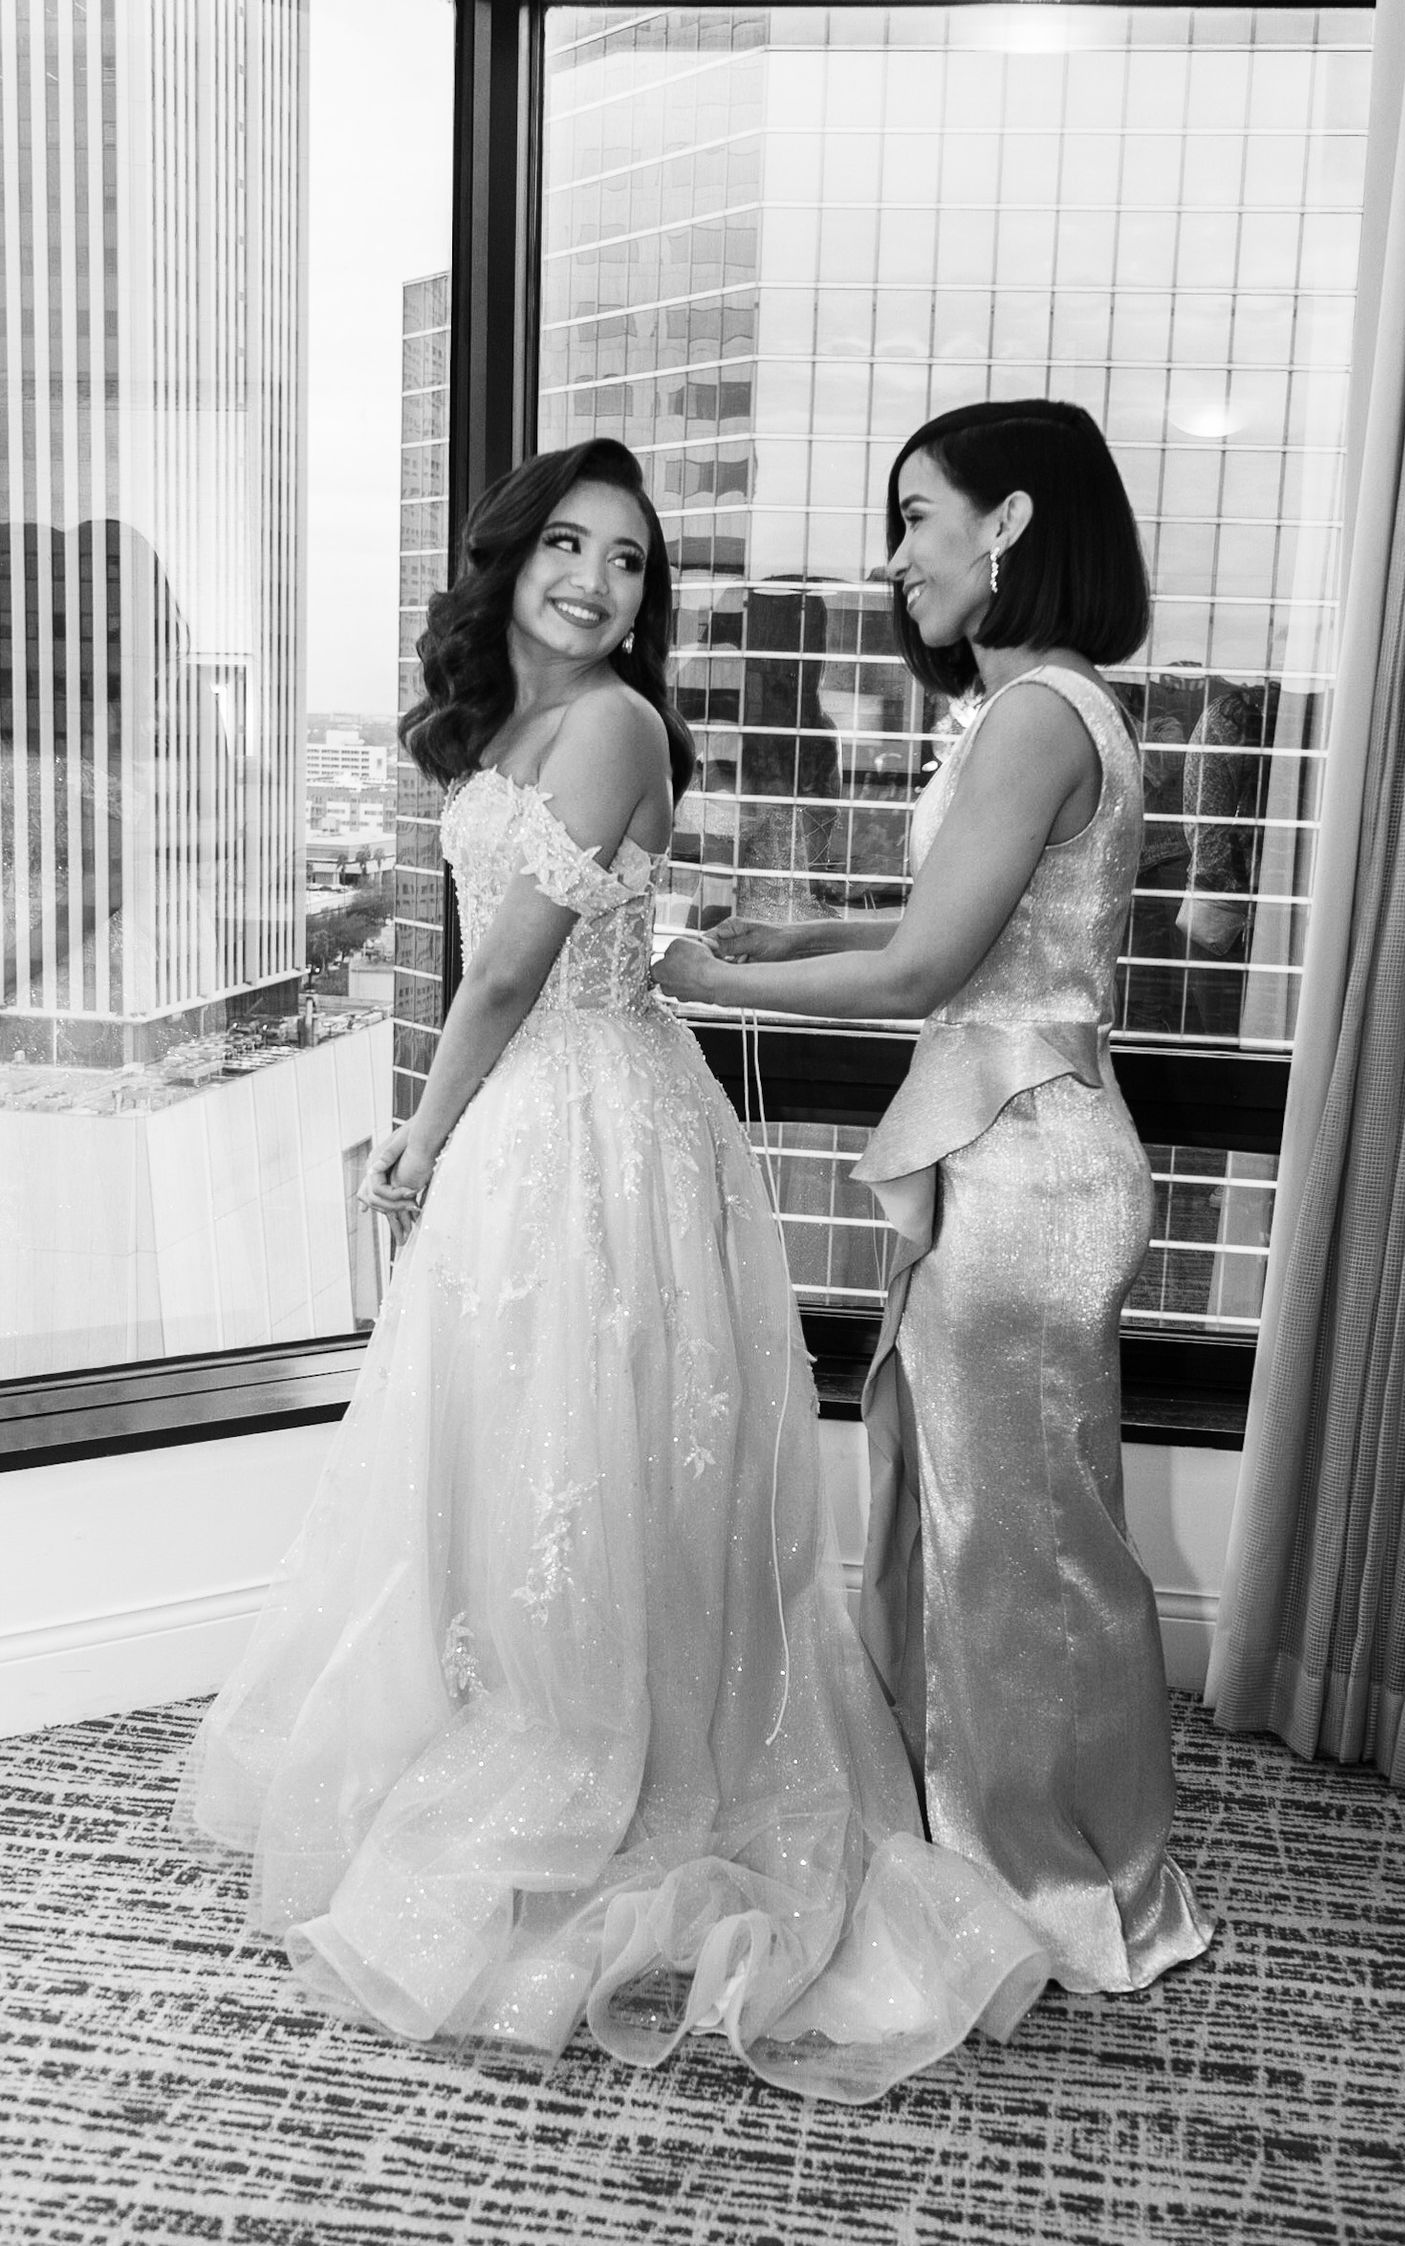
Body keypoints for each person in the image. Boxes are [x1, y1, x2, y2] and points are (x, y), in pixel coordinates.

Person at [172, 437, 1050, 2104]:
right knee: (521, 1452)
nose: (594, 579)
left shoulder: (616, 724)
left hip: (593, 1124)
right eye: (568, 545)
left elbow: (507, 974)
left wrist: (420, 1137)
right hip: (536, 1121)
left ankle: (607, 1745)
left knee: (600, 1452)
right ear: (511, 561)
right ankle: (526, 1702)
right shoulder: (510, 725)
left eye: (629, 559)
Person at [658, 401, 1214, 1992]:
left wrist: (712, 978)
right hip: (1015, 1143)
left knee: (1020, 1545)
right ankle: (1017, 1835)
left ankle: (1056, 1877)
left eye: (917, 516)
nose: (897, 555)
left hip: (1028, 1162)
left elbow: (926, 971)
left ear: (1011, 522)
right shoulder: (1050, 706)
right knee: (993, 1522)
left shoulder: (1036, 712)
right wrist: (798, 930)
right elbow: (963, 927)